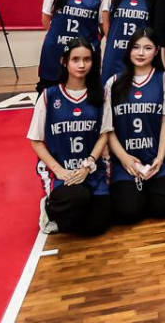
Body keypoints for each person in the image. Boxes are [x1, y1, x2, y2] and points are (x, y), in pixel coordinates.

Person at [27, 38, 111, 235]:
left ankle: (70, 213)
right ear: (64, 62)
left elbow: (104, 135)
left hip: (91, 170)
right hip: (61, 172)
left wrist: (88, 164)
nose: (82, 65)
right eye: (75, 59)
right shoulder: (49, 96)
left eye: (87, 59)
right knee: (77, 198)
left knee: (98, 224)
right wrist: (59, 170)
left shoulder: (101, 95)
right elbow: (36, 140)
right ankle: (49, 208)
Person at [102, 27, 165, 223]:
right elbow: (108, 129)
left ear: (156, 51)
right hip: (125, 162)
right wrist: (124, 159)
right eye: (136, 47)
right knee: (128, 212)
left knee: (164, 208)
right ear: (129, 50)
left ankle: (163, 184)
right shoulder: (113, 83)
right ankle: (135, 191)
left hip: (156, 158)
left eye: (147, 48)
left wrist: (160, 158)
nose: (140, 53)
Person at [38, 0, 108, 91]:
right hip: (55, 49)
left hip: (85, 52)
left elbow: (103, 27)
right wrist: (56, 36)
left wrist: (87, 44)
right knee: (50, 91)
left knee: (87, 93)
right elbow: (46, 18)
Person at [100, 0, 159, 86]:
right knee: (110, 91)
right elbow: (105, 21)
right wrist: (112, 40)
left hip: (141, 54)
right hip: (115, 52)